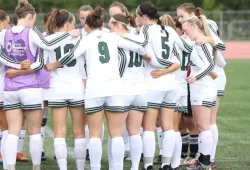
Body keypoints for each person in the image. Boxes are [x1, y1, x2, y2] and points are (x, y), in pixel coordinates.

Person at [45, 6, 150, 170]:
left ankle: (95, 167)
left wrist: (54, 64)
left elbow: (71, 55)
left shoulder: (85, 40)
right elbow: (137, 46)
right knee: (116, 135)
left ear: (86, 26)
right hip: (114, 89)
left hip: (94, 90)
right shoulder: (113, 37)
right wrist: (146, 54)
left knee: (94, 135)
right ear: (102, 25)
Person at [0, 0, 79, 169]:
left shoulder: (3, 33)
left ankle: (10, 166)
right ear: (29, 16)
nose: (34, 21)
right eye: (33, 18)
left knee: (12, 131)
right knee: (35, 131)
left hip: (9, 87)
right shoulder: (31, 32)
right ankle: (36, 167)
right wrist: (69, 34)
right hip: (30, 88)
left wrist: (15, 67)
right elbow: (47, 47)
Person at [122, 2, 193, 170]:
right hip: (171, 84)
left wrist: (122, 35)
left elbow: (140, 43)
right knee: (168, 127)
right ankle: (166, 164)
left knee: (148, 127)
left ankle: (147, 165)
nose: (137, 19)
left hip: (153, 83)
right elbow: (186, 48)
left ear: (144, 17)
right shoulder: (169, 30)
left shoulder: (147, 29)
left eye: (138, 15)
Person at [44, 8, 87, 170]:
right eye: (73, 21)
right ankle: (80, 168)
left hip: (57, 89)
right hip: (76, 88)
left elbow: (46, 65)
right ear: (67, 24)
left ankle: (63, 168)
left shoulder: (48, 39)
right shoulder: (79, 39)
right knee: (79, 132)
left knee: (59, 132)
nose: (75, 24)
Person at [109, 13, 149, 170]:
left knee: (116, 133)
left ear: (118, 26)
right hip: (140, 90)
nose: (109, 29)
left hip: (123, 90)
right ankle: (134, 167)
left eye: (111, 25)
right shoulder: (138, 37)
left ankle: (115, 167)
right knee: (134, 133)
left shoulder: (116, 40)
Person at [182, 15, 220, 170]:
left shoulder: (200, 42)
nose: (185, 34)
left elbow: (210, 65)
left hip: (203, 88)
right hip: (203, 88)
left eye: (186, 30)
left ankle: (205, 162)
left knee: (203, 127)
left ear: (193, 27)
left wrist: (196, 76)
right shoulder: (196, 42)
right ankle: (203, 160)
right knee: (202, 126)